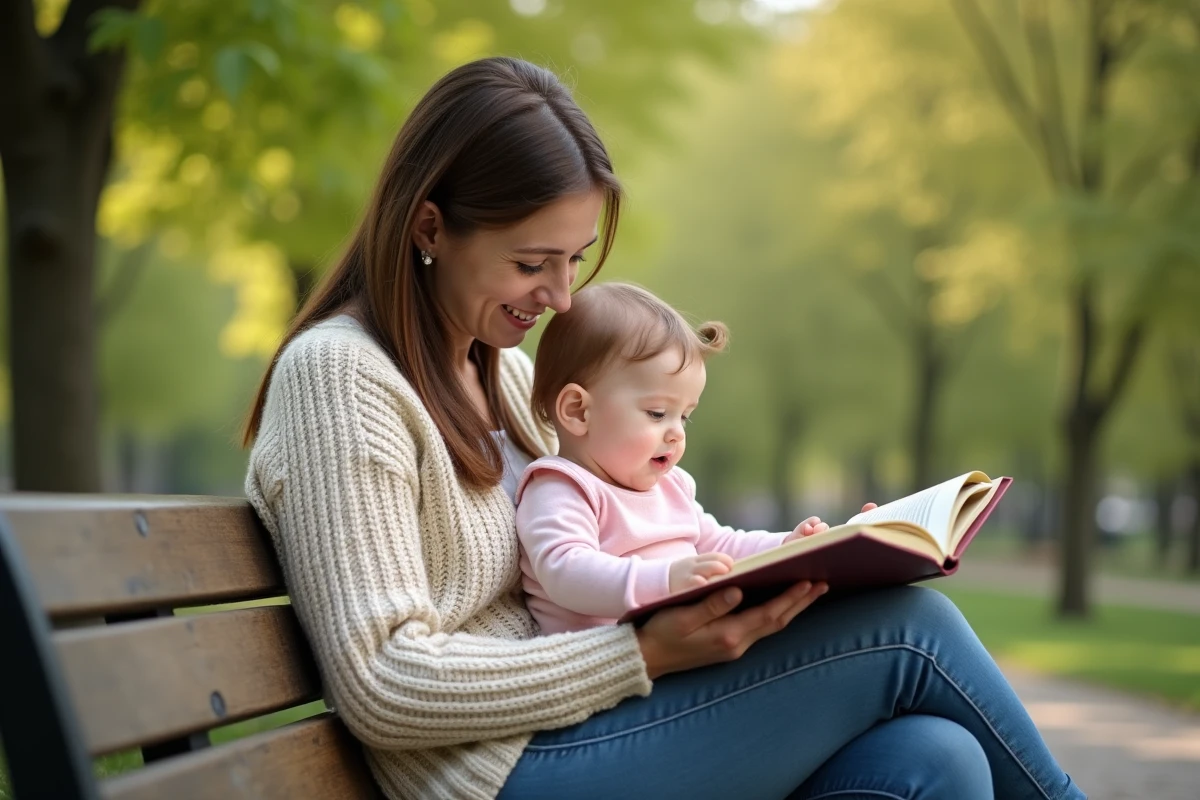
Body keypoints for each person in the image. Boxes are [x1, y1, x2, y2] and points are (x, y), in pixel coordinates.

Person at [242, 56, 1086, 800]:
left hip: (585, 729)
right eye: (532, 263)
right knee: (913, 632)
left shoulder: (502, 372)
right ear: (430, 228)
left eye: (573, 261)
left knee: (935, 760)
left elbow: (624, 531)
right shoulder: (343, 380)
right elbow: (384, 681)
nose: (562, 297)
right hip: (499, 772)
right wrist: (641, 655)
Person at [515, 282, 833, 634]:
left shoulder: (672, 486)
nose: (676, 433)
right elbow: (567, 572)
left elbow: (721, 545)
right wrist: (666, 580)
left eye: (684, 416)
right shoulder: (561, 488)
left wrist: (786, 546)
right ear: (578, 411)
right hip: (617, 671)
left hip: (690, 653)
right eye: (656, 413)